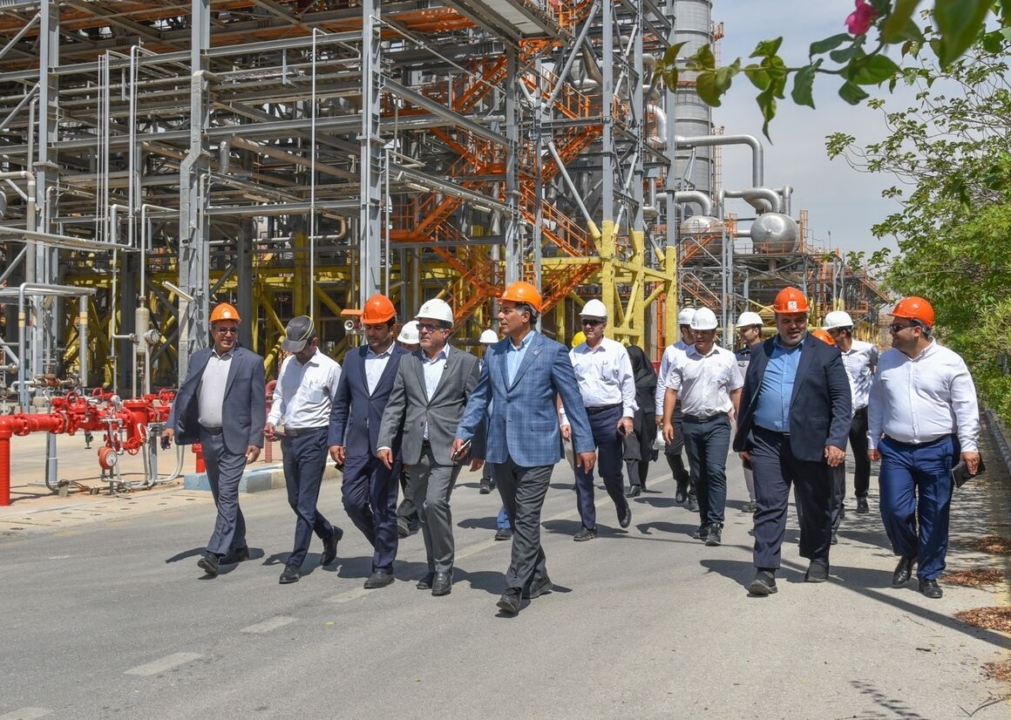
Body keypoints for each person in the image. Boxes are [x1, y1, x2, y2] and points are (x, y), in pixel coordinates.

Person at [453, 281, 595, 615]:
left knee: (528, 518)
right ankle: (540, 577)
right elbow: (480, 397)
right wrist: (464, 431)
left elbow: (573, 400)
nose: (500, 316)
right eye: (501, 310)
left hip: (538, 448)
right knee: (519, 520)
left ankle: (515, 587)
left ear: (526, 315)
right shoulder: (495, 352)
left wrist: (585, 443)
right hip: (501, 449)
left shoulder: (553, 352)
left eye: (507, 310)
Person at [732, 287, 851, 596]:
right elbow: (750, 395)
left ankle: (818, 557)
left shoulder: (825, 353)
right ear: (777, 320)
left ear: (806, 319)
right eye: (787, 320)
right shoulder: (761, 352)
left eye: (799, 319)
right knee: (768, 504)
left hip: (812, 441)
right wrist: (744, 439)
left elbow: (841, 401)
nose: (793, 326)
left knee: (814, 505)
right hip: (767, 441)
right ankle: (765, 570)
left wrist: (837, 441)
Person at [868, 297, 979, 600]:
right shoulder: (888, 361)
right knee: (893, 509)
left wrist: (969, 447)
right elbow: (877, 401)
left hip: (939, 450)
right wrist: (873, 439)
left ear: (917, 330)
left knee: (935, 514)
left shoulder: (950, 362)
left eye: (897, 326)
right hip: (896, 450)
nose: (891, 332)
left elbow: (966, 406)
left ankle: (929, 574)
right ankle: (909, 551)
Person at [377, 299, 483, 597]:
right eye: (421, 325)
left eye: (429, 326)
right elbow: (395, 405)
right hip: (416, 447)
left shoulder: (465, 363)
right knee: (423, 510)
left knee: (435, 503)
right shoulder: (408, 362)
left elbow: (476, 406)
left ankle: (444, 568)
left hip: (450, 447)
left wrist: (478, 447)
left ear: (445, 331)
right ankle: (433, 566)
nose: (422, 331)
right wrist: (385, 441)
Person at [162, 302, 265, 577]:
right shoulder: (199, 359)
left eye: (232, 330)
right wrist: (170, 425)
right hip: (208, 437)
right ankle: (239, 545)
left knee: (228, 494)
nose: (228, 335)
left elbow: (258, 404)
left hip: (236, 439)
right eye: (222, 329)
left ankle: (215, 553)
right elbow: (184, 394)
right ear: (212, 330)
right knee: (222, 496)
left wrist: (256, 440)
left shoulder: (251, 362)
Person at [328, 294, 408, 589]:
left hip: (390, 447)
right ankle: (384, 542)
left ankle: (383, 566)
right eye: (368, 327)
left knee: (383, 504)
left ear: (392, 327)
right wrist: (335, 439)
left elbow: (412, 407)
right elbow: (341, 403)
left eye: (377, 327)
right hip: (357, 444)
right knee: (352, 501)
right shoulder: (353, 358)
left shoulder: (406, 360)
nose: (371, 333)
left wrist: (408, 450)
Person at [264, 316, 344, 584]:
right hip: (290, 438)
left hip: (315, 438)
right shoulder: (288, 364)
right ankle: (329, 533)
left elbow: (339, 408)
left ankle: (295, 562)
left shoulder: (330, 368)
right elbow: (280, 397)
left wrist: (336, 441)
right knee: (295, 501)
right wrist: (272, 420)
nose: (297, 353)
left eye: (301, 347)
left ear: (314, 342)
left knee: (306, 505)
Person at [662, 308, 743, 546]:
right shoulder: (682, 358)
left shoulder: (726, 358)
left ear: (714, 332)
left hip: (718, 422)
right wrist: (666, 421)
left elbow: (736, 389)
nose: (699, 336)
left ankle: (716, 523)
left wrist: (741, 423)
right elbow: (671, 390)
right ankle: (705, 521)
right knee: (699, 475)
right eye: (696, 331)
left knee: (715, 470)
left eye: (705, 332)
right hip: (691, 423)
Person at [559, 299, 636, 541]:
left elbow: (627, 384)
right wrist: (564, 419)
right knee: (582, 472)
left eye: (593, 322)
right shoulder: (574, 354)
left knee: (610, 472)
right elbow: (566, 388)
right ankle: (588, 525)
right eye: (585, 322)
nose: (588, 326)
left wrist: (627, 415)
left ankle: (620, 501)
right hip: (581, 417)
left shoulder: (616, 351)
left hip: (610, 416)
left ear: (604, 324)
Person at [823, 310, 879, 515]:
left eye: (831, 332)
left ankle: (861, 495)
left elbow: (882, 373)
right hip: (839, 414)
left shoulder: (867, 350)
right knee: (835, 457)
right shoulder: (829, 354)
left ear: (843, 332)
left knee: (862, 457)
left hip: (862, 414)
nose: (829, 336)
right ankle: (837, 502)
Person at [656, 307, 697, 509]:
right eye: (692, 328)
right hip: (676, 406)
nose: (697, 332)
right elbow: (662, 381)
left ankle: (695, 492)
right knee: (671, 450)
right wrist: (660, 411)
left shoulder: (703, 349)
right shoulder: (672, 352)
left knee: (695, 453)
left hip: (695, 404)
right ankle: (681, 478)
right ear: (684, 329)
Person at [734, 311, 764, 513]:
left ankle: (766, 496)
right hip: (744, 414)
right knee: (746, 455)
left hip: (763, 411)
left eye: (745, 330)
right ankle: (754, 498)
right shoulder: (738, 357)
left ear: (756, 330)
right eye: (741, 330)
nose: (742, 334)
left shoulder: (770, 353)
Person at [395, 320, 421, 538]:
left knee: (416, 477)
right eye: (403, 344)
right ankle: (416, 516)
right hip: (399, 431)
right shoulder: (399, 364)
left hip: (419, 431)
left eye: (410, 346)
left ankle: (403, 516)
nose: (405, 349)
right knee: (405, 476)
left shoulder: (425, 366)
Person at [625, 345, 658, 498]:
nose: (629, 362)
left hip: (647, 418)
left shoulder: (650, 375)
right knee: (631, 450)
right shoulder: (624, 375)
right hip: (629, 417)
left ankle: (641, 482)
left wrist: (660, 418)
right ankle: (635, 484)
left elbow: (656, 397)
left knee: (645, 450)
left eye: (631, 359)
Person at [477, 328, 500, 495]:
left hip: (496, 410)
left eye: (491, 345)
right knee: (485, 444)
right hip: (481, 411)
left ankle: (487, 479)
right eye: (486, 345)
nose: (488, 348)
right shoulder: (477, 365)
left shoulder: (501, 364)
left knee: (494, 443)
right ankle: (489, 477)